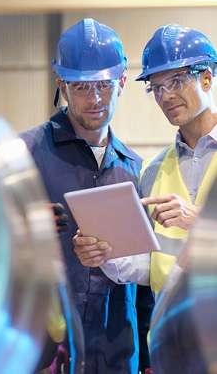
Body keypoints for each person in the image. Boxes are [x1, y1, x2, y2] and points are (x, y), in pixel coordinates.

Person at [21, 18, 153, 374]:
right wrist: (19, 223)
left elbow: (146, 273)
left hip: (117, 352)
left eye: (104, 86)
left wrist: (148, 356)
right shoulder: (23, 154)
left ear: (122, 81)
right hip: (43, 352)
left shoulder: (133, 167)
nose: (94, 99)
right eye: (81, 87)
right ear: (62, 85)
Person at [73, 24, 217, 296]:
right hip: (173, 332)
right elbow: (150, 266)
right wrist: (104, 254)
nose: (166, 96)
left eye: (176, 81)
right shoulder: (153, 170)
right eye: (157, 88)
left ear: (207, 78)